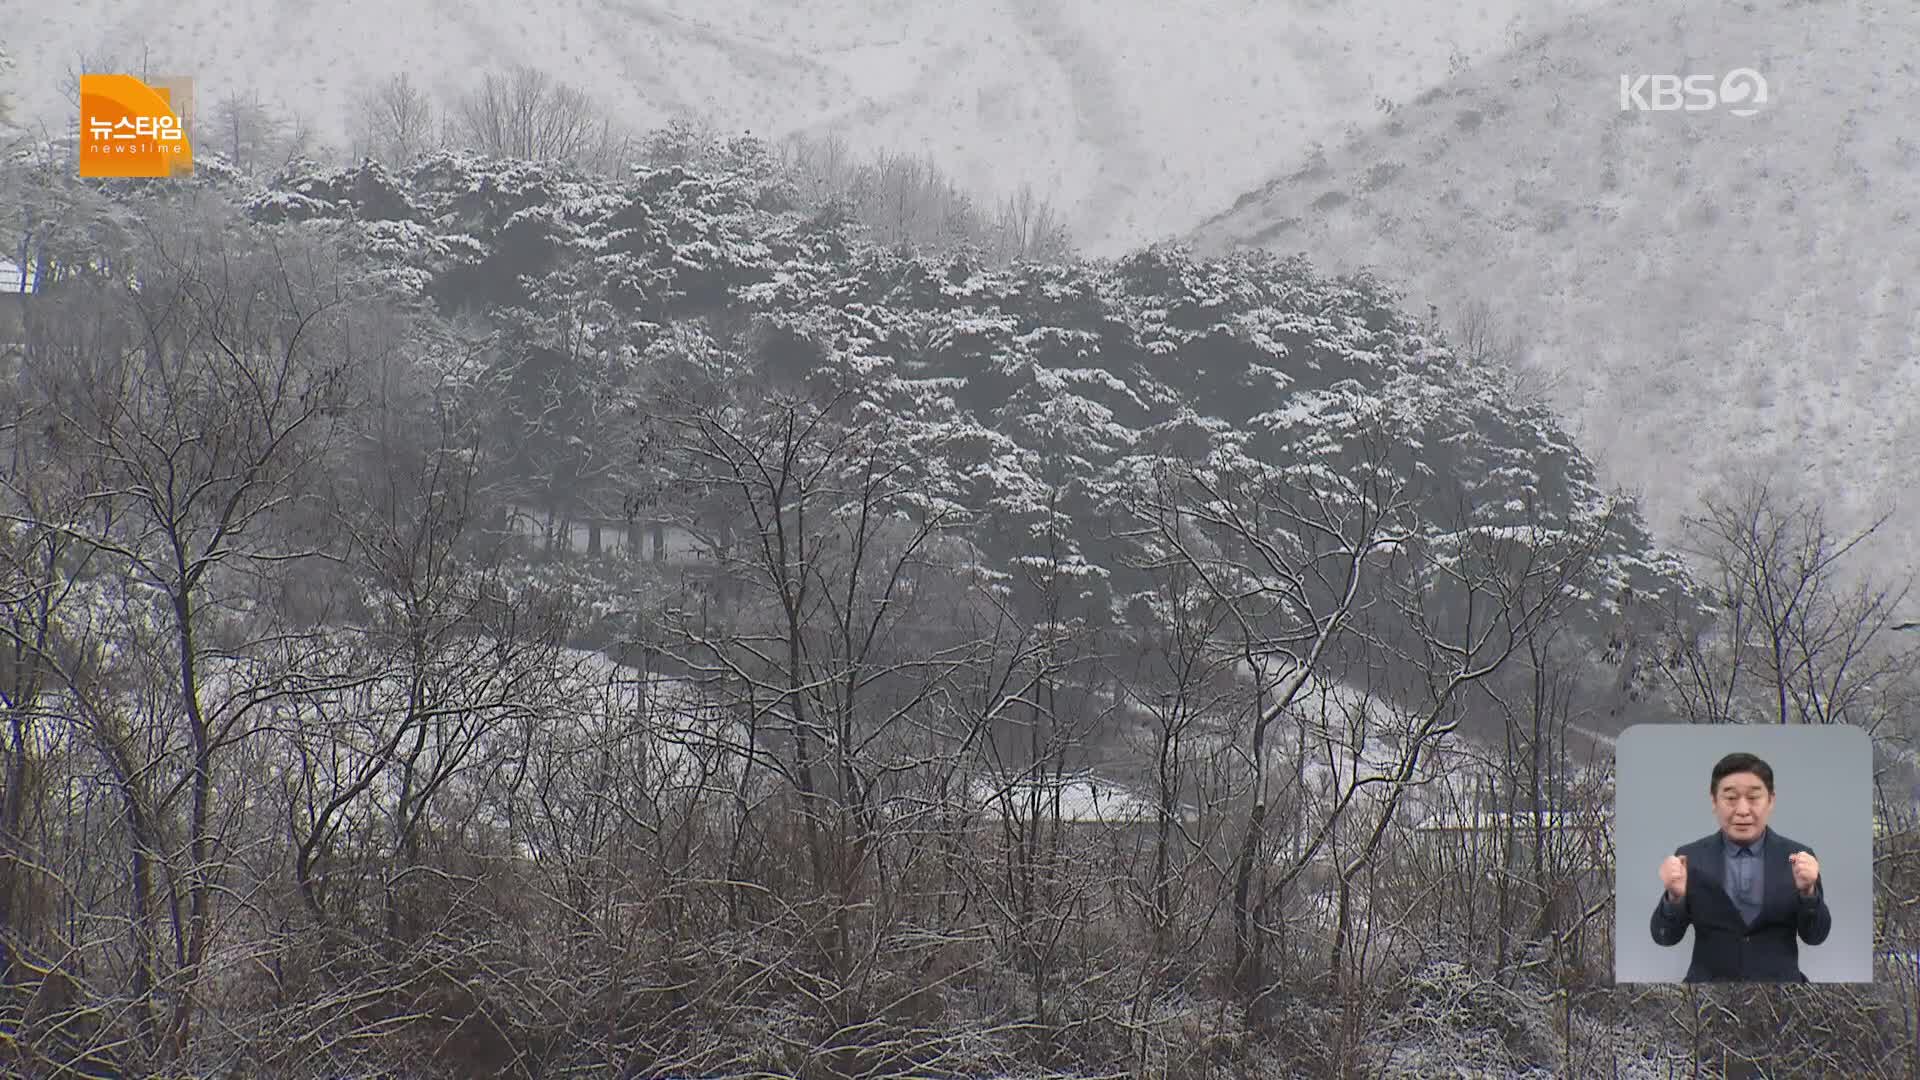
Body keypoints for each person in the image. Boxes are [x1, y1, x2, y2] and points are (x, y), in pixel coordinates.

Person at [1649, 751, 1831, 982]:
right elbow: (1664, 937)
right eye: (1731, 798)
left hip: (1782, 992)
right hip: (1708, 991)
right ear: (1714, 801)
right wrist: (1675, 896)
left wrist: (1809, 893)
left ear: (1771, 800)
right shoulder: (1690, 858)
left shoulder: (1797, 858)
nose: (1743, 810)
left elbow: (1815, 936)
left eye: (1754, 798)